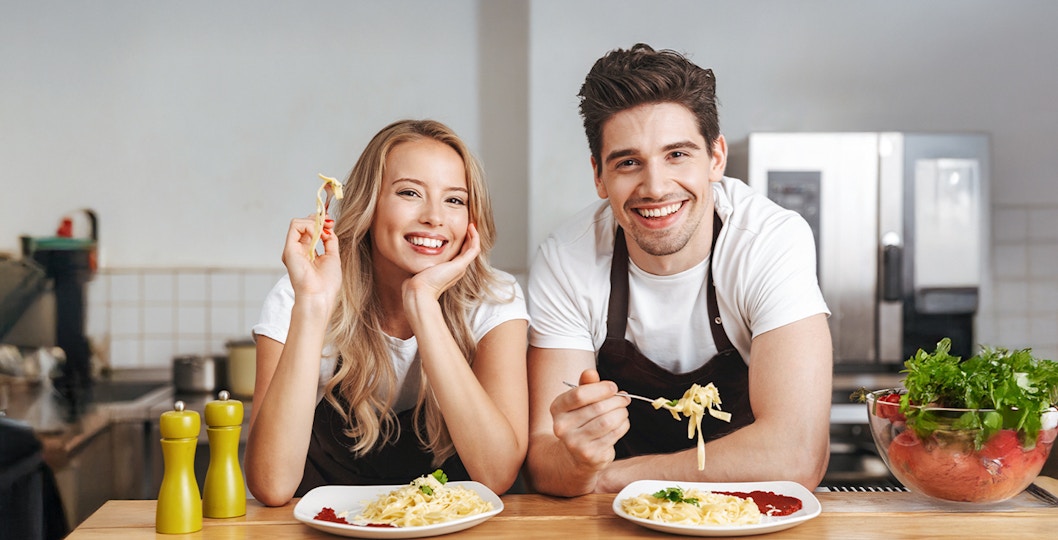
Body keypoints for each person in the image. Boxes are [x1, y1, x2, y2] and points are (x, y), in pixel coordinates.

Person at [525, 44, 833, 496]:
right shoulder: (566, 259)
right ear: (598, 175)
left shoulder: (769, 241)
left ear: (716, 158)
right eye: (628, 162)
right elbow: (542, 458)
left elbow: (797, 456)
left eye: (677, 155)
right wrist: (575, 458)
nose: (655, 187)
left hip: (746, 513)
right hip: (621, 521)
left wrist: (605, 477)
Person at [245, 119, 529, 506]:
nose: (434, 216)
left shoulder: (495, 298)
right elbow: (270, 484)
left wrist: (423, 303)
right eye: (410, 192)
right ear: (369, 203)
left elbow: (496, 474)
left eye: (454, 200)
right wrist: (312, 306)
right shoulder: (302, 294)